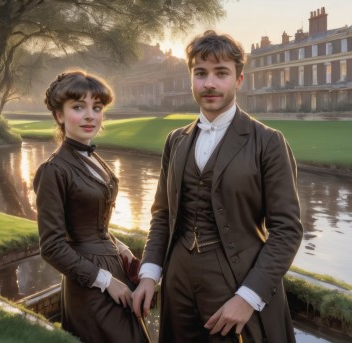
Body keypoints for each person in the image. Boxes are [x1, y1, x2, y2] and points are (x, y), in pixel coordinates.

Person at [132, 30, 304, 342]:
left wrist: (248, 298)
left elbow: (287, 230)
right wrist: (148, 275)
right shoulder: (175, 141)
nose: (209, 83)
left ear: (239, 79)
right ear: (191, 78)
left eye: (221, 73)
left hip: (236, 286)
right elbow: (162, 215)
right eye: (201, 73)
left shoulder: (268, 142)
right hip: (177, 286)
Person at [33, 70, 146, 342]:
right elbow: (51, 247)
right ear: (59, 116)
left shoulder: (95, 160)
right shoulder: (53, 171)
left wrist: (122, 249)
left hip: (113, 268)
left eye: (96, 108)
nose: (89, 115)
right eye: (78, 107)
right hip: (89, 283)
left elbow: (95, 223)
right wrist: (107, 281)